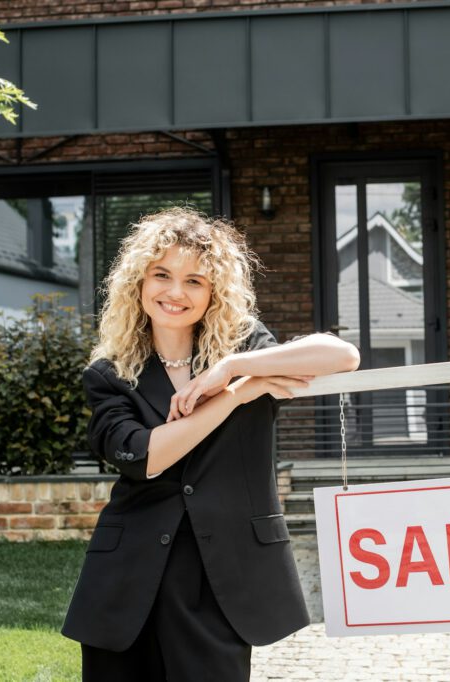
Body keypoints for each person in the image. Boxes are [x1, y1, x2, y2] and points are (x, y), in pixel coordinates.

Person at [60, 206, 361, 681]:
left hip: (221, 573)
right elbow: (145, 456)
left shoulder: (246, 350)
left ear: (214, 291)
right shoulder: (109, 374)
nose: (175, 292)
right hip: (127, 580)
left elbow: (343, 356)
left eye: (195, 281)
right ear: (138, 282)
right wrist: (237, 396)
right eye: (162, 275)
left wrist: (231, 369)